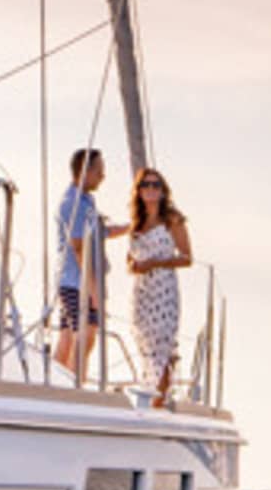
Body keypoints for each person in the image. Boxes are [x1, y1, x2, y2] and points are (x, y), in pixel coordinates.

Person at [54, 147, 126, 382]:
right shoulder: (72, 203)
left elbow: (100, 232)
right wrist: (93, 290)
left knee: (68, 337)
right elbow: (78, 247)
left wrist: (131, 227)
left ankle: (56, 385)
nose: (103, 176)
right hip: (77, 282)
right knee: (86, 335)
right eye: (99, 171)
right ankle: (74, 388)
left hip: (73, 282)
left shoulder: (86, 201)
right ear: (84, 171)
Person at [127, 166, 192, 407]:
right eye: (146, 185)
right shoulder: (137, 222)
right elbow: (130, 257)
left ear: (163, 191)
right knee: (145, 345)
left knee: (161, 347)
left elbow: (187, 258)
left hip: (163, 289)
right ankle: (150, 396)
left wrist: (157, 263)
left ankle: (158, 404)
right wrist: (135, 265)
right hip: (142, 290)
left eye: (156, 185)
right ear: (139, 191)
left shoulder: (172, 219)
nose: (151, 189)